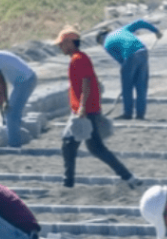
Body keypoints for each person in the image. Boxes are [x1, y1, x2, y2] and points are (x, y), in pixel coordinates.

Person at [56, 28, 144, 190]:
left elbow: (87, 82)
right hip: (83, 110)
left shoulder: (78, 59)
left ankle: (129, 178)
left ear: (70, 43)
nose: (60, 47)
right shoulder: (78, 58)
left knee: (89, 147)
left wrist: (82, 107)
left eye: (61, 44)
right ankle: (68, 182)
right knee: (76, 145)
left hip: (85, 111)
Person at [97, 20, 162, 121]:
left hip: (130, 55)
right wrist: (156, 31)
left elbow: (121, 60)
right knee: (141, 86)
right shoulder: (122, 30)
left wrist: (126, 77)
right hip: (142, 51)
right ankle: (140, 115)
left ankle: (128, 113)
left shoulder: (106, 44)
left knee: (127, 87)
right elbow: (139, 23)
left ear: (101, 39)